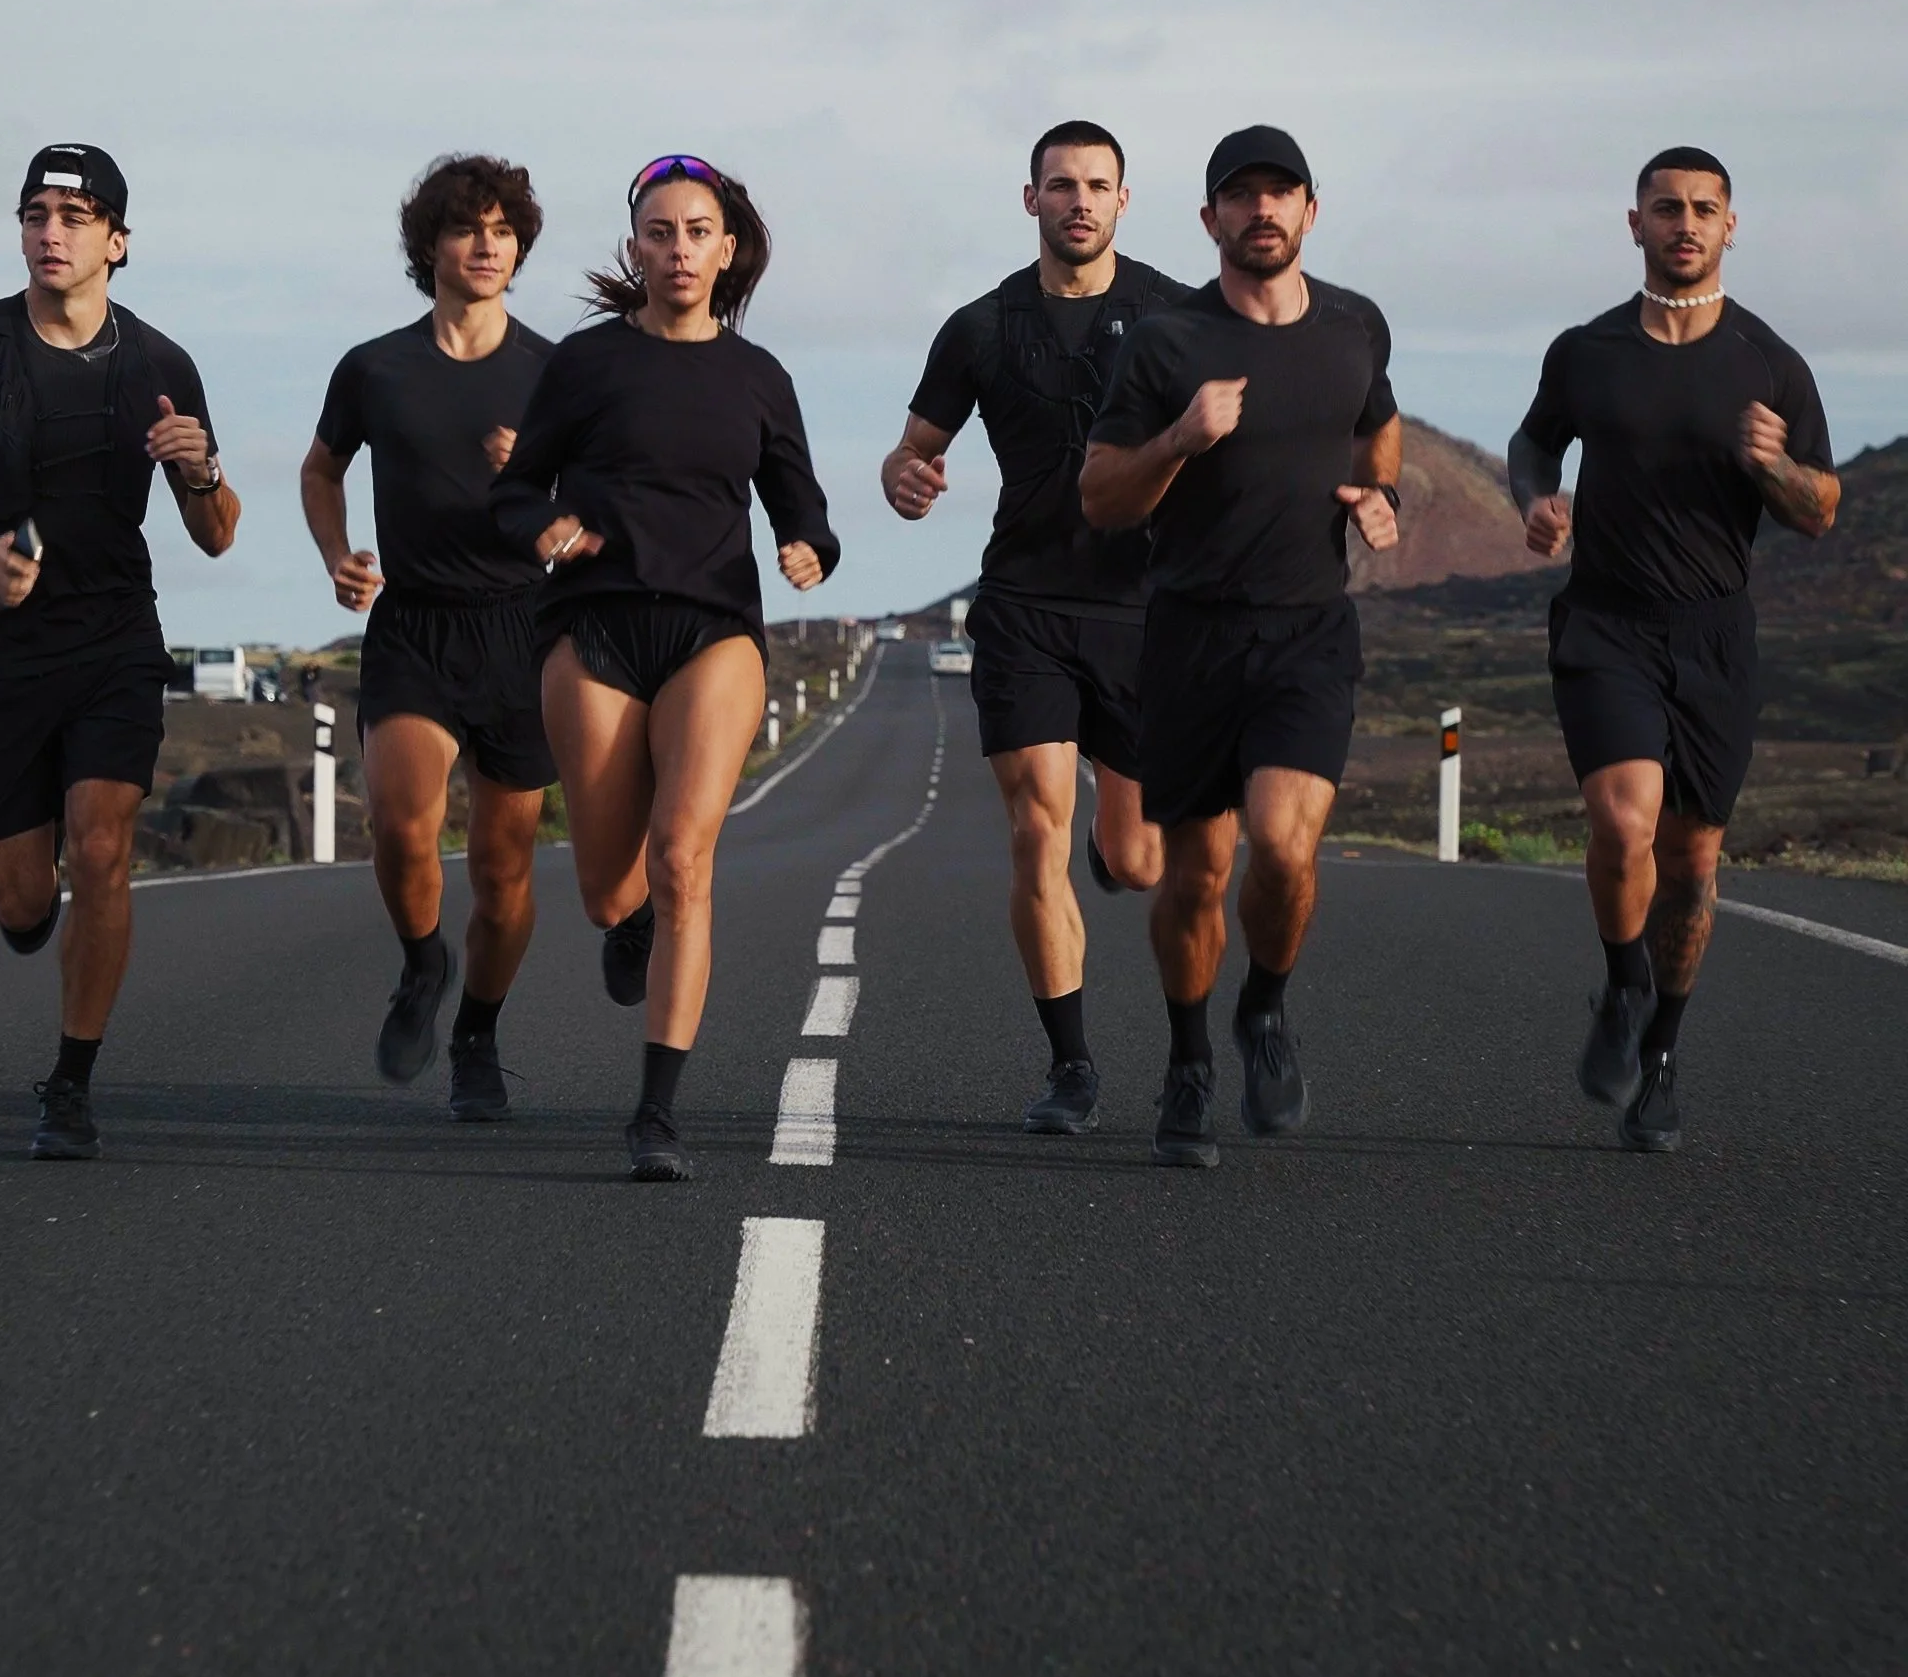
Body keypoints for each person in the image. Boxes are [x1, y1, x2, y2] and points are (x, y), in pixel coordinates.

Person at [0, 142, 238, 1159]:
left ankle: (71, 1084)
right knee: (23, 901)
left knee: (103, 846)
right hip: (0, 657)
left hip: (115, 643)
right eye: (36, 214)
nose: (51, 232)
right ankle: (39, 919)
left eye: (76, 217)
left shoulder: (162, 366)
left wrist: (202, 472)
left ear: (118, 242)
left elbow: (217, 535)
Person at [490, 155, 838, 1181]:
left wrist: (810, 549)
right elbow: (515, 491)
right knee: (610, 889)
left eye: (696, 232)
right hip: (593, 630)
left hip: (712, 632)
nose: (678, 249)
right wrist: (545, 526)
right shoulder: (585, 364)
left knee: (684, 858)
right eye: (659, 232)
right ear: (635, 248)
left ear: (726, 251)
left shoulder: (759, 377)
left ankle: (656, 1114)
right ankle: (631, 921)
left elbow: (803, 505)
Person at [1080, 125, 1400, 1165]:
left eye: (1280, 193)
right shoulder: (1166, 344)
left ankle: (1263, 1005)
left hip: (1308, 631)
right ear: (1209, 217)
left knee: (1285, 845)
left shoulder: (1355, 326)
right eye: (1241, 195)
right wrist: (1179, 438)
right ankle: (1188, 1062)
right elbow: (1101, 497)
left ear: (1311, 209)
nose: (1262, 210)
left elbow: (1379, 423)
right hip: (1190, 637)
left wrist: (1380, 495)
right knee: (1195, 878)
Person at [1508, 148, 1836, 1152]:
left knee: (1691, 864)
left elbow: (1820, 508)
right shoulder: (1587, 350)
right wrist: (1537, 503)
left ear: (1730, 225)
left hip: (1715, 635)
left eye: (1702, 209)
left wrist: (1774, 466)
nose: (1684, 223)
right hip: (1606, 621)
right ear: (1635, 223)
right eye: (1666, 208)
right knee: (1624, 822)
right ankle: (1622, 985)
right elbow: (1533, 442)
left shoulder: (1770, 363)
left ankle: (1660, 1053)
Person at [878, 120, 1187, 1133]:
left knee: (1139, 862)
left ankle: (1115, 840)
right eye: (1061, 185)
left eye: (1097, 185)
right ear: (1031, 200)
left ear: (1124, 201)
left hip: (1145, 614)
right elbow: (909, 450)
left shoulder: (1177, 315)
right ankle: (1071, 1066)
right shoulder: (979, 327)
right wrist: (906, 481)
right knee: (1033, 830)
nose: (1079, 201)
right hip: (1026, 607)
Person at [300, 152, 556, 1119]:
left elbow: (603, 505)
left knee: (502, 869)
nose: (486, 246)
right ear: (430, 247)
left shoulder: (555, 373)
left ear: (519, 248)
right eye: (466, 229)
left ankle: (478, 1035)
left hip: (521, 629)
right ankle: (421, 964)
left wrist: (539, 482)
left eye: (503, 231)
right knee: (403, 824)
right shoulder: (375, 367)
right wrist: (339, 557)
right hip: (413, 622)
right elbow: (320, 471)